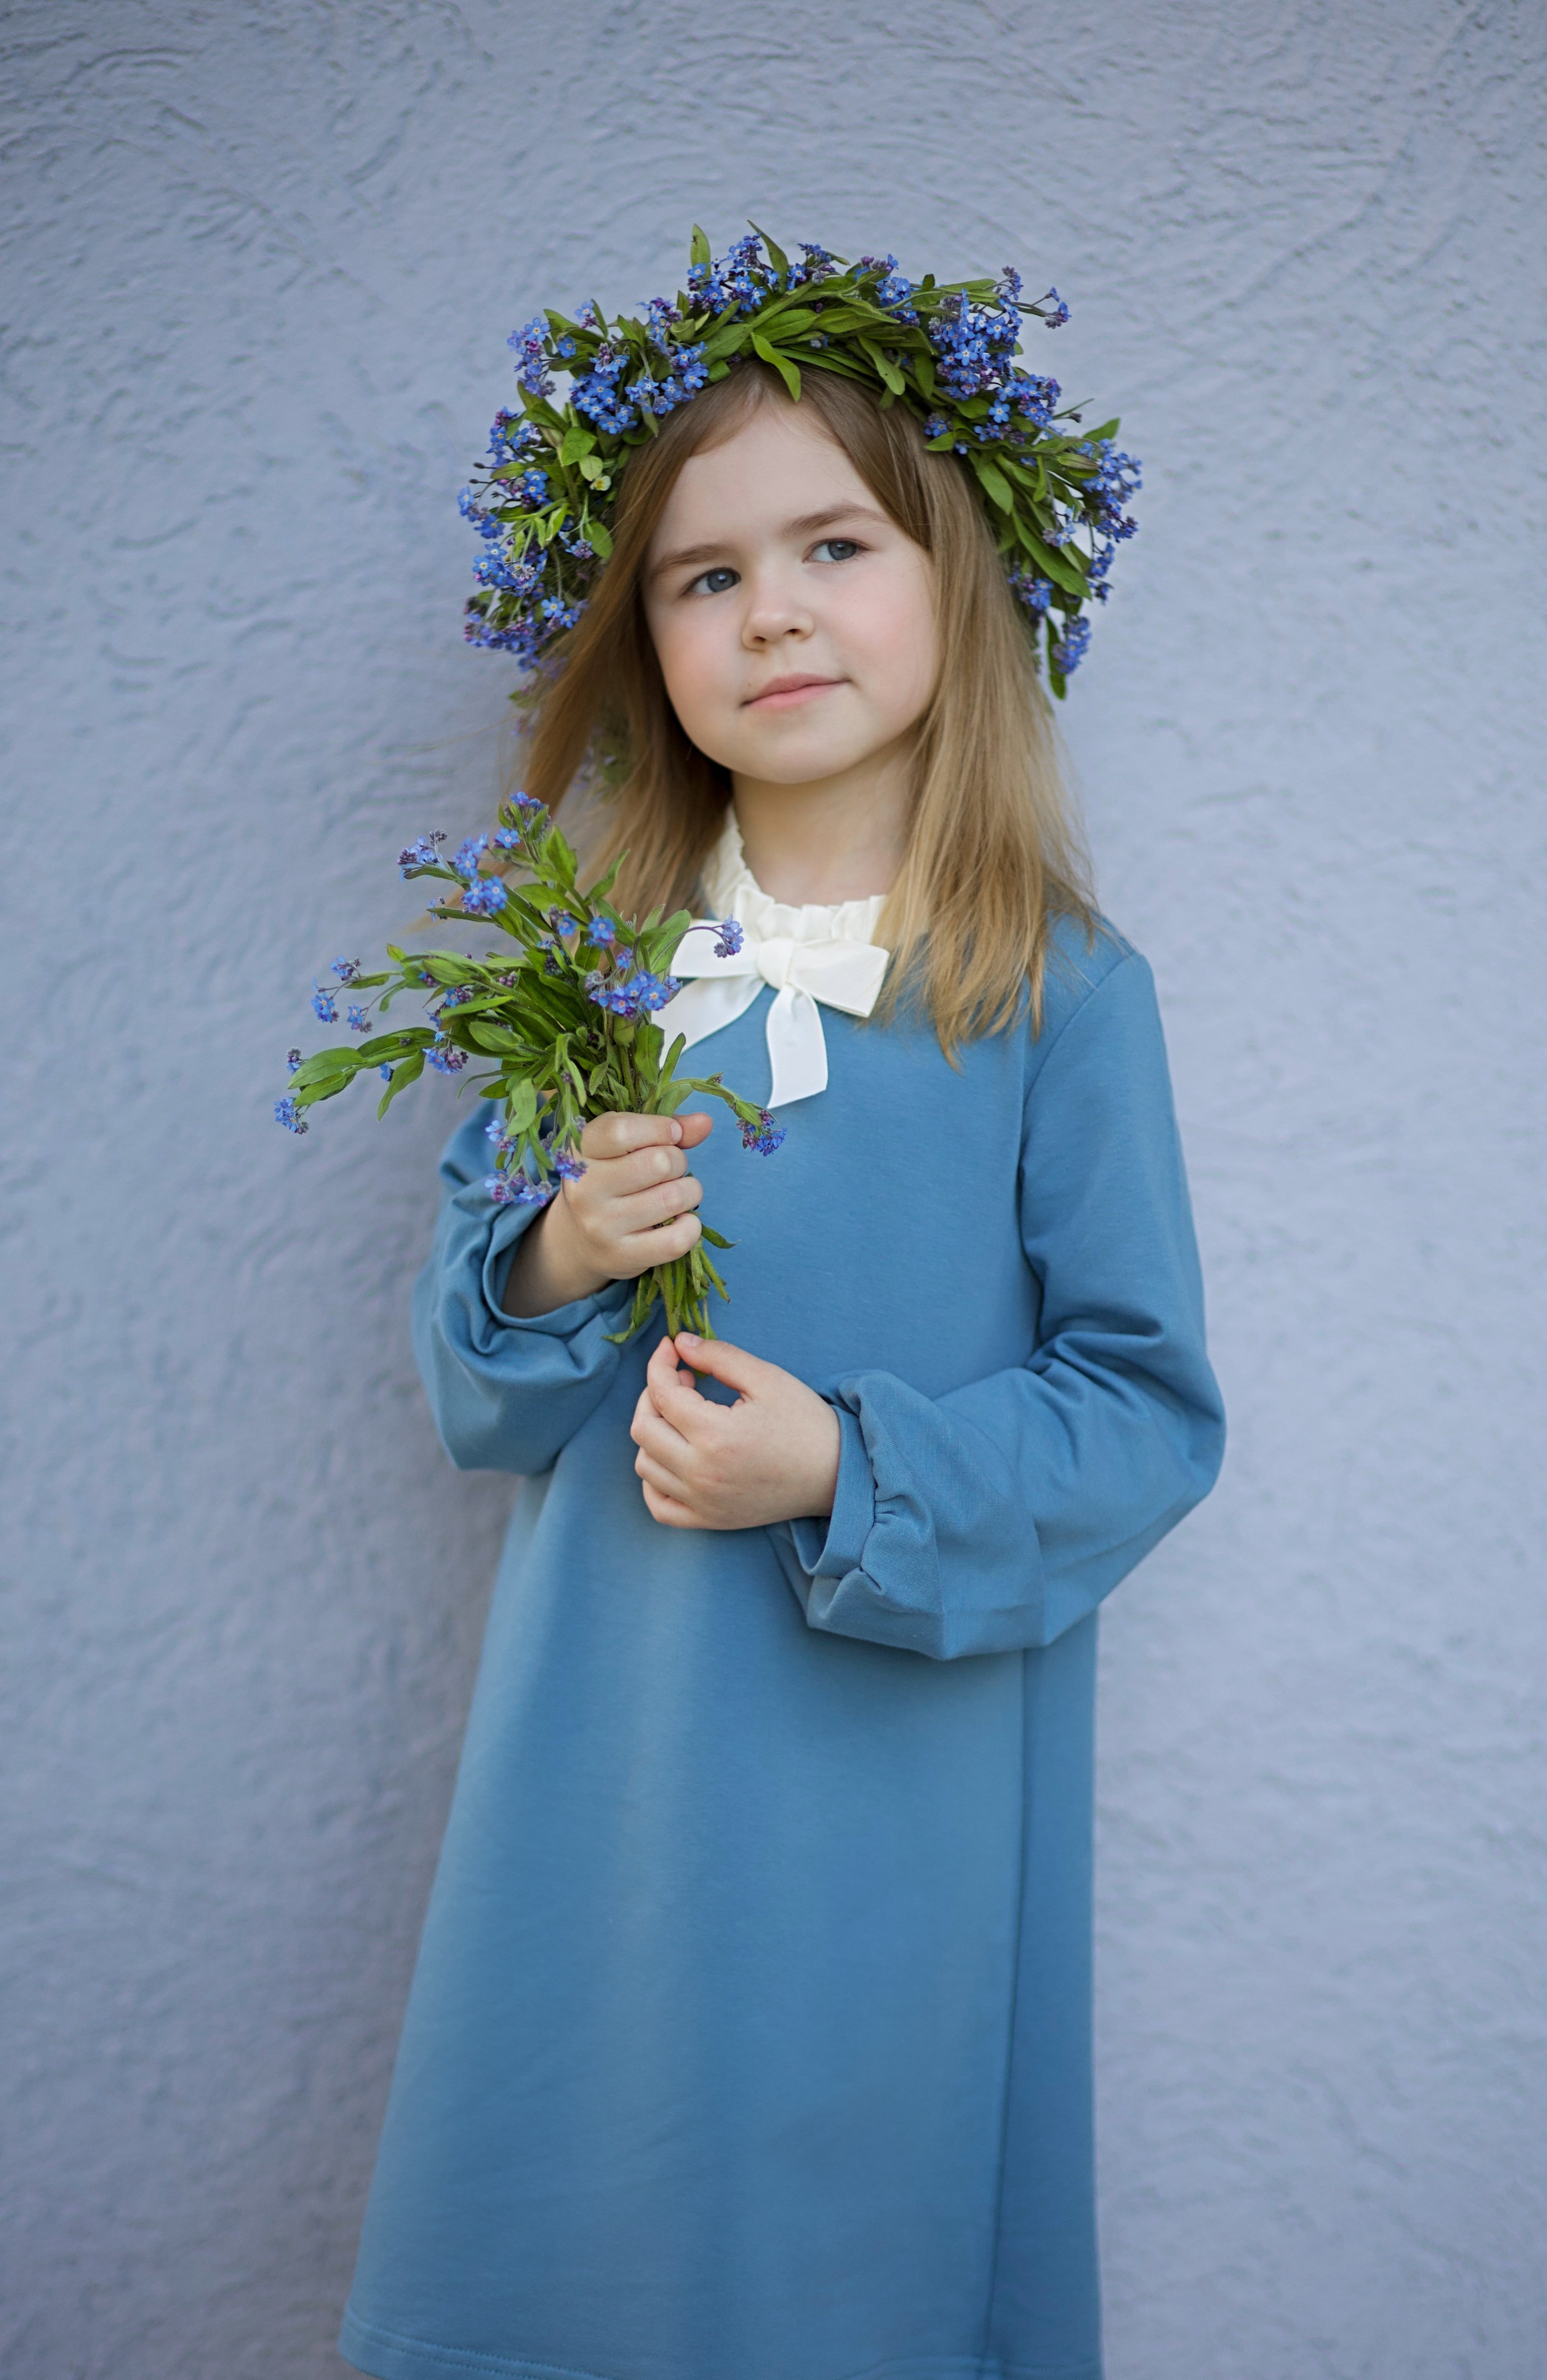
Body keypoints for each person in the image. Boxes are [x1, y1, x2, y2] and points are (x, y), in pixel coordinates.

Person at [339, 238, 1225, 2380]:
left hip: (893, 1784)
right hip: (606, 1769)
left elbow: (1145, 1418)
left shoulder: (1058, 1000)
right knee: (588, 2221)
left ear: (960, 577)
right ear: (645, 641)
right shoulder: (586, 980)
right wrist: (564, 1250)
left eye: (833, 543)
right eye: (702, 576)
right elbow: (476, 1394)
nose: (774, 612)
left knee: (848, 2268)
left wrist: (841, 1459)